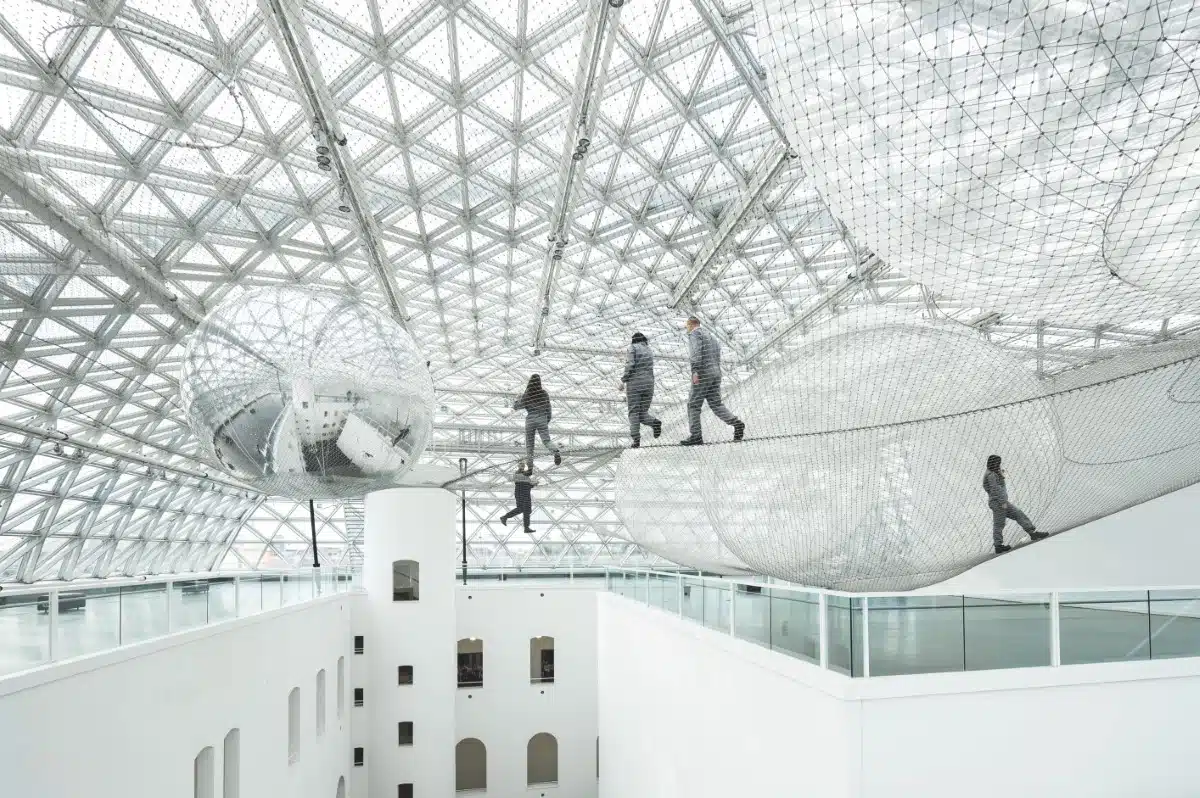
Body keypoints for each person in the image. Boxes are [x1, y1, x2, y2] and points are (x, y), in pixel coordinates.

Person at [681, 316, 744, 445]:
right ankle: (736, 423)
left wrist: (695, 371)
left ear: (691, 324)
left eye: (687, 326)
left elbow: (696, 353)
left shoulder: (695, 334)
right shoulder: (712, 337)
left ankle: (696, 436)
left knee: (693, 405)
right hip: (716, 373)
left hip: (703, 372)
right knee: (716, 404)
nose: (686, 328)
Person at [984, 454, 1046, 554]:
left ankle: (1032, 533)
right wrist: (1002, 502)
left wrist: (1000, 475)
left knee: (1018, 513)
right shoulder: (990, 475)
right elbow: (995, 490)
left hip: (1002, 502)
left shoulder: (994, 473)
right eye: (996, 463)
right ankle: (998, 546)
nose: (998, 465)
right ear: (992, 463)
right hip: (999, 503)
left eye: (998, 463)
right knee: (999, 524)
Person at [619, 332, 661, 448]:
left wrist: (623, 380)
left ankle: (636, 440)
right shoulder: (649, 350)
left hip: (635, 383)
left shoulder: (633, 348)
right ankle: (654, 422)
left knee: (633, 412)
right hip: (649, 384)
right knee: (642, 413)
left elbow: (630, 364)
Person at [514, 374, 562, 466]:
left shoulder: (527, 394)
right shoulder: (544, 394)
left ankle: (530, 467)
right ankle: (555, 451)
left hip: (530, 419)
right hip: (542, 418)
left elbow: (517, 407)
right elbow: (549, 408)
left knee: (529, 445)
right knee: (546, 440)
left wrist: (517, 399)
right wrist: (546, 420)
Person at [500, 459, 537, 534]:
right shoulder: (520, 473)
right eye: (521, 465)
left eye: (523, 465)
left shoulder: (522, 475)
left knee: (524, 509)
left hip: (523, 493)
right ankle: (525, 527)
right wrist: (532, 484)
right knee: (524, 509)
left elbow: (526, 484)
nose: (522, 466)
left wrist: (533, 484)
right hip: (522, 493)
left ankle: (506, 517)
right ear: (518, 466)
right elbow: (524, 483)